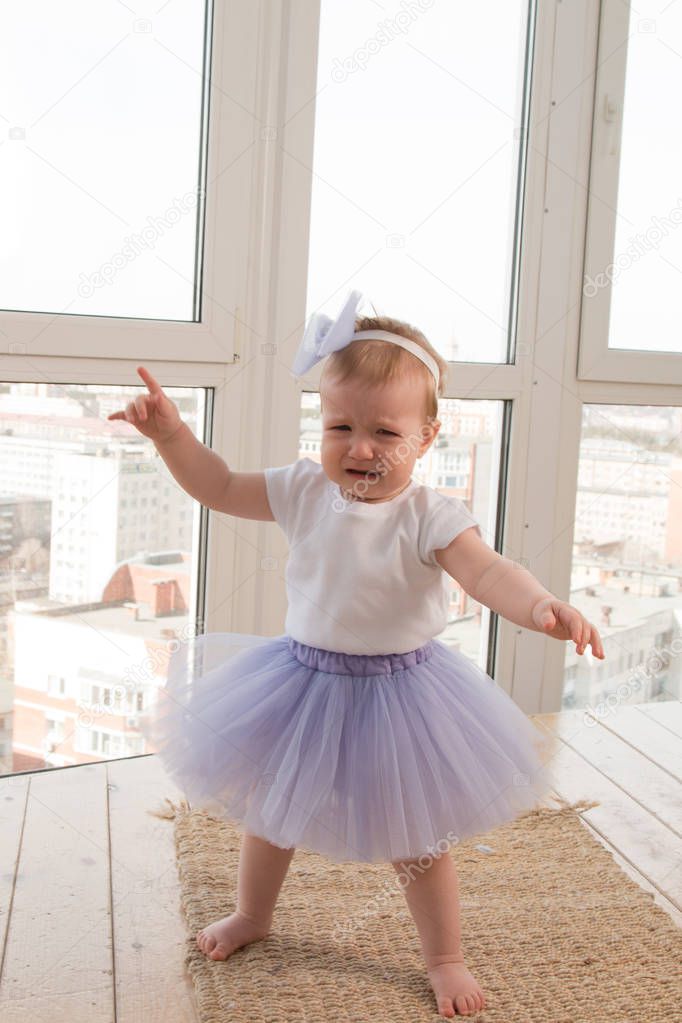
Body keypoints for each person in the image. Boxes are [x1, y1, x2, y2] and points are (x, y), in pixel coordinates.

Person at [108, 290, 605, 1018]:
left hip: (402, 694)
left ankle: (444, 955)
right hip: (300, 681)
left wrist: (540, 607)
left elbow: (488, 571)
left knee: (418, 836)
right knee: (271, 814)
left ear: (428, 436)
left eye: (385, 431)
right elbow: (217, 485)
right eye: (340, 425)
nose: (360, 447)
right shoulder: (306, 487)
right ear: (321, 422)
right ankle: (253, 913)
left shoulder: (430, 514)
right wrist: (172, 436)